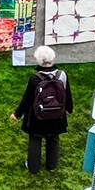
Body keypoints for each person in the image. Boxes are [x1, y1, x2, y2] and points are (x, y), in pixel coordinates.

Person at [14, 45, 72, 173]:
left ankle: (33, 167)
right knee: (53, 138)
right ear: (53, 58)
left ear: (39, 61)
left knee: (35, 138)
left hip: (37, 116)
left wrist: (17, 114)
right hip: (57, 115)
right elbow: (67, 94)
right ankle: (52, 165)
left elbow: (27, 99)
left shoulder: (35, 78)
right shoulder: (62, 75)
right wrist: (68, 109)